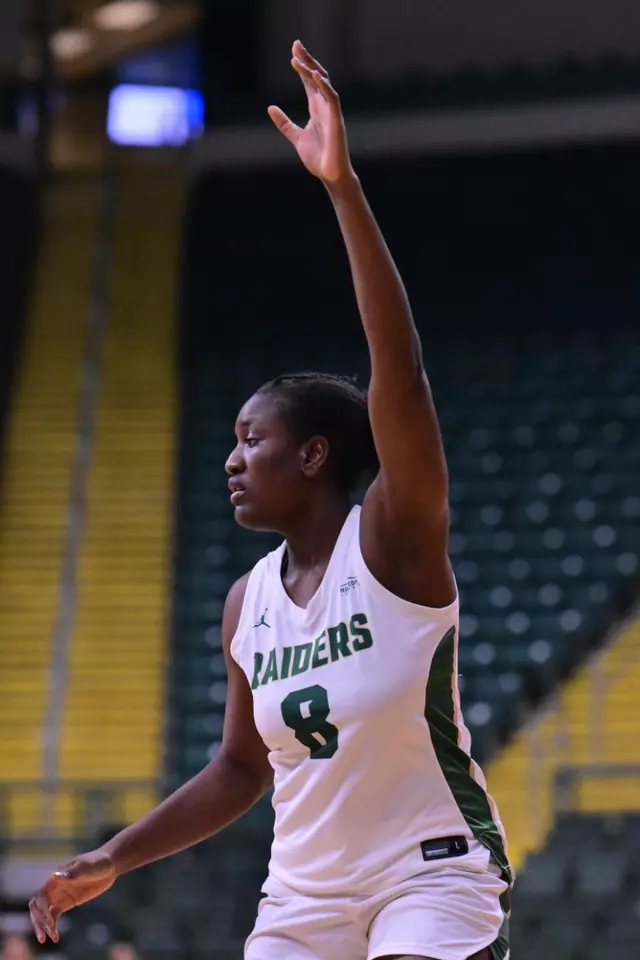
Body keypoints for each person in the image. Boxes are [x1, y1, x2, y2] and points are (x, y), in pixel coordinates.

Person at [29, 40, 513, 960]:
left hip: (431, 871)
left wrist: (340, 187)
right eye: (233, 442)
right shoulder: (246, 605)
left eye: (254, 440)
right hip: (302, 898)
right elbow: (239, 769)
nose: (232, 460)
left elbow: (399, 378)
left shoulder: (395, 542)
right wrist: (113, 857)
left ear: (317, 454)